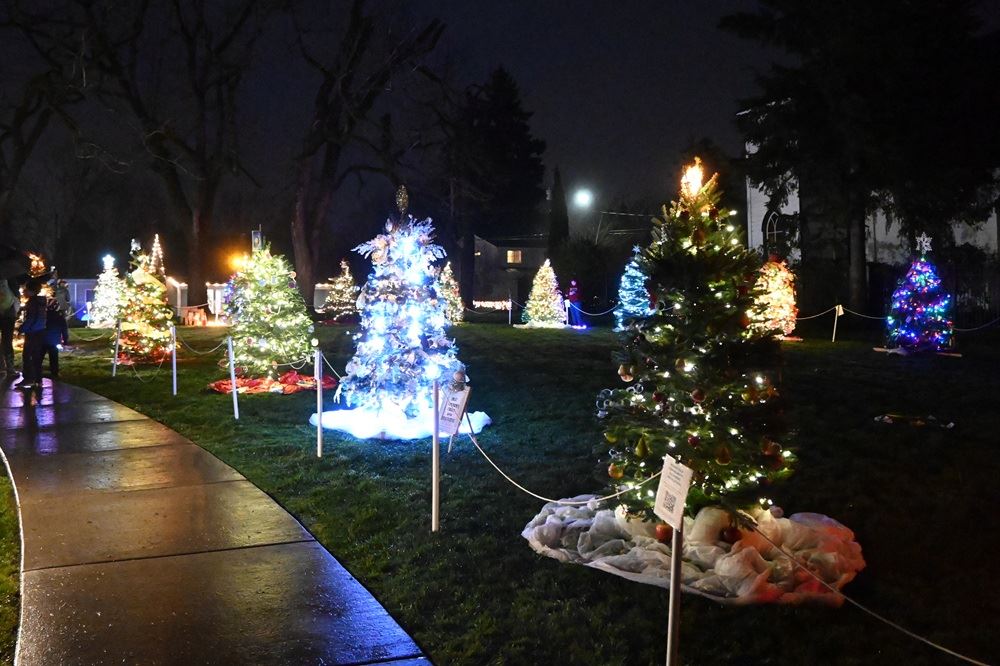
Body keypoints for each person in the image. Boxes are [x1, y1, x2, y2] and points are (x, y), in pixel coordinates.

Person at [18, 279, 47, 390]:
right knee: (36, 356)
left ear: (31, 290)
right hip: (40, 331)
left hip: (32, 331)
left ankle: (28, 379)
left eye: (26, 289)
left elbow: (31, 318)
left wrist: (22, 328)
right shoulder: (41, 301)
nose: (24, 291)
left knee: (27, 355)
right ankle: (38, 379)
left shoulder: (32, 302)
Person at [43, 296, 69, 379]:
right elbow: (64, 330)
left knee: (39, 357)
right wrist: (65, 340)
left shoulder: (44, 316)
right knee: (54, 357)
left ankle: (36, 371)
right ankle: (54, 372)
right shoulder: (60, 317)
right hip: (54, 341)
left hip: (43, 340)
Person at [0, 278, 17, 376]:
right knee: (7, 341)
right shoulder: (10, 279)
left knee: (6, 341)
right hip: (8, 315)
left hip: (8, 315)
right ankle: (10, 368)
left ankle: (3, 366)